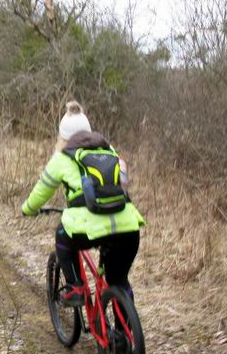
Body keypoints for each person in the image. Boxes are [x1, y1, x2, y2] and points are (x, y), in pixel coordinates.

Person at [21, 101, 145, 311]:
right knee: (119, 279)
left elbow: (41, 192)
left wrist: (28, 209)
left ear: (63, 137)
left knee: (62, 234)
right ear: (88, 131)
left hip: (89, 229)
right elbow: (122, 182)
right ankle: (124, 336)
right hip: (128, 227)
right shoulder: (109, 150)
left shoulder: (61, 158)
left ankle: (75, 287)